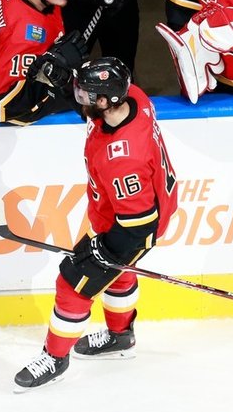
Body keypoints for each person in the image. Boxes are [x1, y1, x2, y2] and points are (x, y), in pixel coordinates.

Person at [14, 57, 178, 391]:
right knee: (120, 273)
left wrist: (103, 250)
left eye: (87, 94)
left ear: (105, 102)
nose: (80, 97)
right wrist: (65, 82)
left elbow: (137, 225)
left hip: (135, 226)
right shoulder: (134, 98)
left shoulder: (124, 159)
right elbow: (96, 101)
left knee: (73, 283)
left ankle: (55, 357)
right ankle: (121, 336)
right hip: (124, 211)